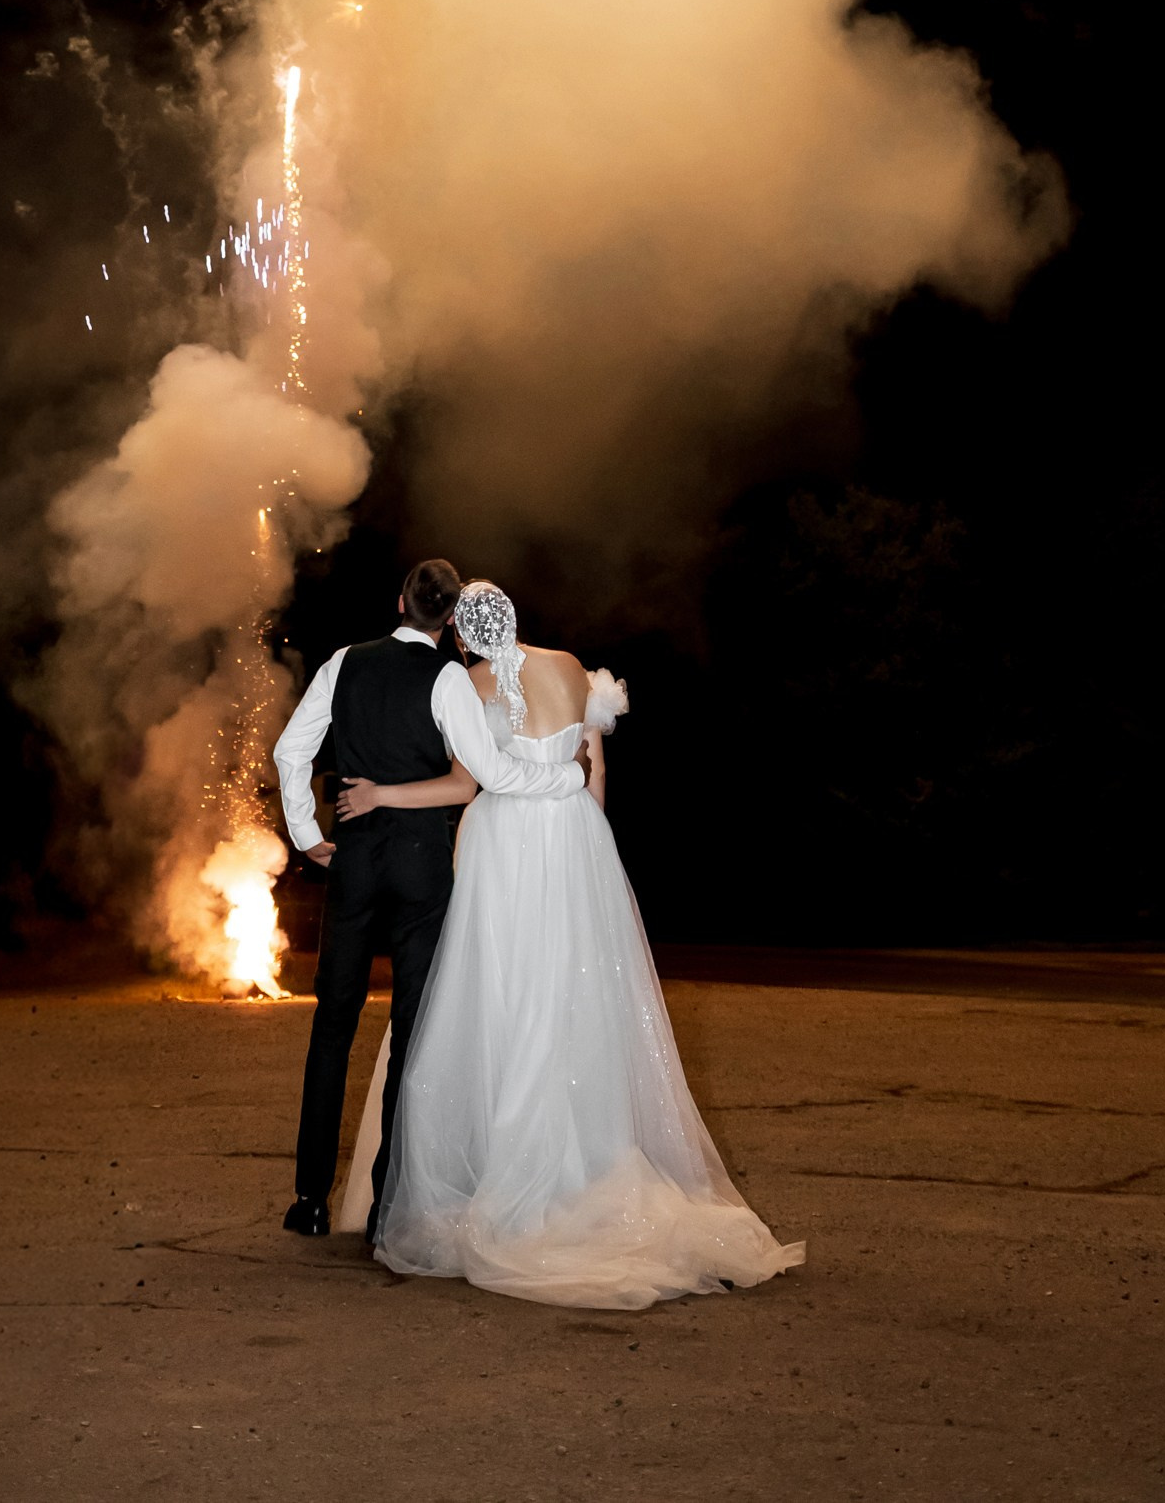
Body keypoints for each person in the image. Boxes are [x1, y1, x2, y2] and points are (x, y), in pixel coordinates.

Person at [338, 578, 804, 1310]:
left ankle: (506, 1172)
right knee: (577, 993)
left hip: (505, 845)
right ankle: (586, 1166)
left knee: (502, 992)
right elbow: (596, 776)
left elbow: (467, 784)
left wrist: (380, 794)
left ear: (462, 633)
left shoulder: (465, 680)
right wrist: (589, 853)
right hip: (574, 839)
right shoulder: (569, 667)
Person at [273, 556, 590, 1241]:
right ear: (449, 620)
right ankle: (389, 1199)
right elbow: (491, 773)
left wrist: (308, 836)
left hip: (355, 856)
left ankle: (309, 1198)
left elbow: (290, 752)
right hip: (419, 866)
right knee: (413, 1030)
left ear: (398, 602)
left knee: (333, 1023)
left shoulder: (343, 662)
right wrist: (567, 779)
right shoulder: (449, 678)